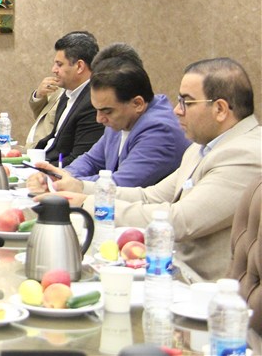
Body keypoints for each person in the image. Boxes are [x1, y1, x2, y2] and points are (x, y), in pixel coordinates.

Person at [30, 57, 261, 283]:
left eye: (187, 102)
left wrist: (88, 204)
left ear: (220, 109)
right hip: (167, 269)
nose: (177, 110)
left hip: (200, 288)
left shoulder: (245, 154)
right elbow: (150, 196)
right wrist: (79, 188)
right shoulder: (201, 147)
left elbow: (180, 221)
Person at [29, 43, 191, 187]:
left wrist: (67, 183)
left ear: (138, 104)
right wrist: (60, 175)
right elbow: (91, 160)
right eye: (97, 110)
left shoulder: (160, 131)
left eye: (107, 111)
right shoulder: (121, 118)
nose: (99, 119)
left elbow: (122, 184)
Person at [34, 31, 104, 167]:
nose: (53, 69)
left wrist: (41, 170)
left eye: (59, 64)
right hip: (45, 161)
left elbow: (79, 159)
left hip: (63, 171)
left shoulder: (93, 102)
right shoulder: (68, 93)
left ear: (79, 66)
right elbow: (54, 141)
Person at [25, 78, 64, 149]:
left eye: (60, 66)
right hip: (32, 148)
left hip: (46, 151)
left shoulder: (75, 96)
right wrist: (39, 95)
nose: (54, 71)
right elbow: (42, 116)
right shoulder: (60, 89)